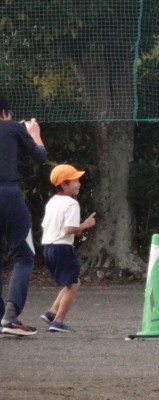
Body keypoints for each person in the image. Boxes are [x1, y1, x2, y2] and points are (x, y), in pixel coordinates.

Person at [0, 94, 48, 336]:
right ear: (5, 112)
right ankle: (10, 317)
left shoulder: (10, 128)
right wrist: (33, 133)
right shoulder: (12, 128)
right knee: (24, 256)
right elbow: (40, 156)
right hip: (7, 194)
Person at [40, 164, 97, 333]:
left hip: (48, 247)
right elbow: (69, 229)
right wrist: (85, 225)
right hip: (62, 248)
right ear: (64, 184)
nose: (79, 184)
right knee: (74, 284)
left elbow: (51, 226)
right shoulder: (72, 204)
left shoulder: (52, 202)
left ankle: (51, 313)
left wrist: (78, 228)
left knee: (69, 282)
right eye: (75, 181)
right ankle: (58, 322)